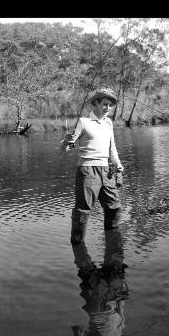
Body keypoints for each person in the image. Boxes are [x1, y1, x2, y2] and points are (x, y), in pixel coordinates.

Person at [61, 88, 124, 245]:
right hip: (87, 170)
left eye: (110, 105)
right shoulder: (84, 122)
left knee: (114, 207)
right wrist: (65, 142)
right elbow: (66, 148)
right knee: (82, 211)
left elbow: (112, 147)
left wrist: (118, 163)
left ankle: (112, 243)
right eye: (104, 104)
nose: (108, 108)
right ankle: (77, 244)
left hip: (107, 171)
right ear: (95, 103)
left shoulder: (109, 123)